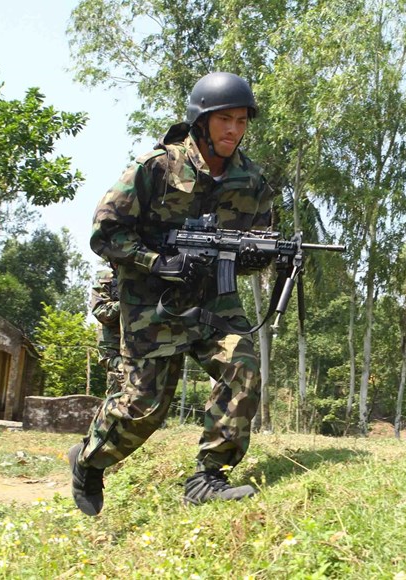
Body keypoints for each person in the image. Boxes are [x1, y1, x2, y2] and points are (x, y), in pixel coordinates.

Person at [68, 72, 274, 516]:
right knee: (145, 407)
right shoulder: (155, 168)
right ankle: (88, 461)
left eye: (241, 121)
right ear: (201, 121)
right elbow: (105, 233)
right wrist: (157, 261)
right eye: (224, 120)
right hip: (151, 303)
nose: (233, 130)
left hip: (212, 298)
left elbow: (255, 247)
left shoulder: (252, 180)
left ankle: (208, 476)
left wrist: (256, 255)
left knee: (243, 366)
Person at [90, 265, 124, 396]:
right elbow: (102, 313)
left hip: (140, 345)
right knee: (121, 379)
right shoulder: (106, 278)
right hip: (113, 347)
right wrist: (127, 301)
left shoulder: (144, 276)